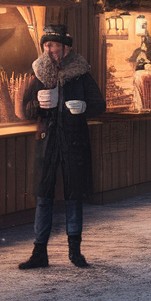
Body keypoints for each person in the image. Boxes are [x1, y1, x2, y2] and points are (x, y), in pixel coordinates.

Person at [18, 24, 106, 269]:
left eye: (55, 45)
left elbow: (99, 104)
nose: (50, 50)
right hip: (47, 140)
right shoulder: (39, 73)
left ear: (66, 48)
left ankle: (75, 251)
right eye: (47, 45)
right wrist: (39, 107)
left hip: (74, 139)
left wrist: (83, 108)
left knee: (73, 195)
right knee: (43, 195)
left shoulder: (81, 73)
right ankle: (39, 252)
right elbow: (26, 110)